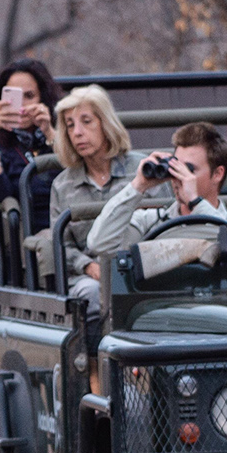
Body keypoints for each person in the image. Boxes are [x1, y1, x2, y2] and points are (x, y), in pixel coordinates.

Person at [86, 121, 227, 258]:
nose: (179, 178)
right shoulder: (151, 222)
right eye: (175, 168)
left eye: (189, 170)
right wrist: (138, 185)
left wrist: (196, 203)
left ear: (217, 174)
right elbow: (99, 244)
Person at [48, 85, 145, 301]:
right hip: (90, 278)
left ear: (105, 123)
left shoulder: (142, 171)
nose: (77, 133)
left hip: (144, 268)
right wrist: (88, 266)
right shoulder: (63, 185)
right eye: (70, 125)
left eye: (87, 121)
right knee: (92, 294)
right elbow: (61, 245)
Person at [0, 59, 62, 233]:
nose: (22, 105)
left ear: (43, 98)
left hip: (71, 225)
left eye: (29, 96)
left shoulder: (64, 132)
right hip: (35, 236)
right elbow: (0, 196)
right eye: (14, 98)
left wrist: (49, 132)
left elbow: (77, 172)